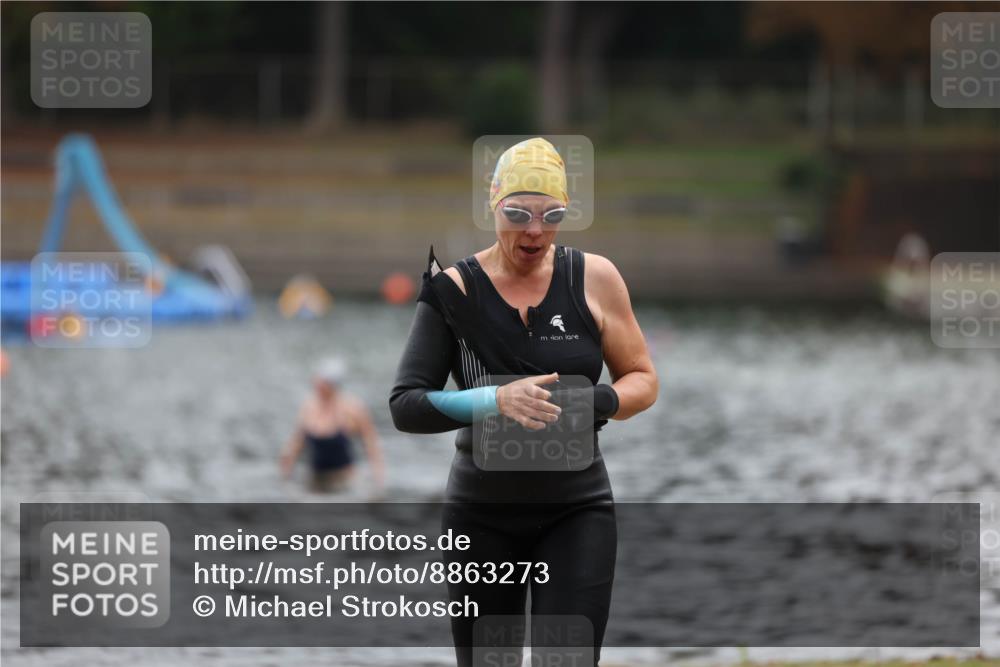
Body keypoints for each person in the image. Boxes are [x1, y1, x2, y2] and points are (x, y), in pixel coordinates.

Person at [390, 138, 658, 666]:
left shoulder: (595, 278)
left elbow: (643, 379)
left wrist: (594, 400)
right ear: (494, 205)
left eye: (551, 214)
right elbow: (406, 405)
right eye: (518, 213)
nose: (534, 230)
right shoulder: (453, 291)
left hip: (576, 512)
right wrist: (494, 399)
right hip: (481, 517)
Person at [281, 357, 385, 494]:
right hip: (315, 479)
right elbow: (296, 445)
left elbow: (371, 446)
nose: (318, 385)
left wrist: (378, 482)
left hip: (344, 481)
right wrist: (285, 477)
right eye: (317, 380)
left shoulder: (352, 409)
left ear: (333, 385)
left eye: (323, 382)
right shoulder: (308, 407)